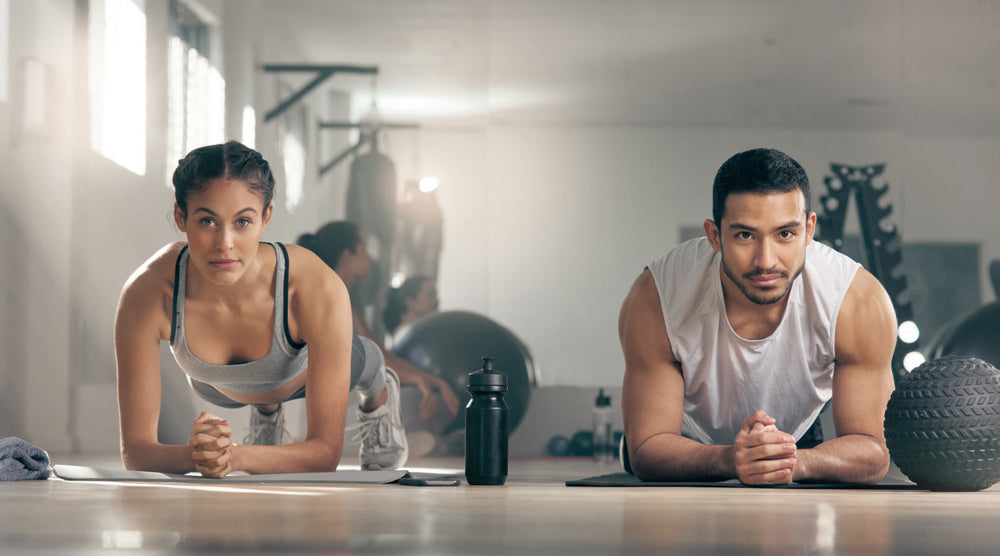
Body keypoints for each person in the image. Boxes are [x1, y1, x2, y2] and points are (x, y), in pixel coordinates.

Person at [115, 141, 407, 478]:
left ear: (265, 217)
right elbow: (136, 452)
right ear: (181, 217)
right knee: (256, 404)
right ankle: (267, 409)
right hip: (219, 389)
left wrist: (234, 457)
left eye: (242, 222)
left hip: (302, 375)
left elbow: (325, 454)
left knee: (364, 359)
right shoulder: (148, 290)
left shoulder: (314, 284)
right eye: (208, 221)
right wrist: (203, 455)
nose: (225, 242)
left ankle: (379, 398)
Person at [618, 148, 897, 485]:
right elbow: (648, 446)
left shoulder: (856, 300)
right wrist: (729, 459)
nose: (766, 260)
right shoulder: (657, 296)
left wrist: (788, 461)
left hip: (796, 441)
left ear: (809, 230)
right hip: (685, 440)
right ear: (714, 235)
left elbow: (874, 452)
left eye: (785, 234)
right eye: (745, 235)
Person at [297, 222, 459, 422]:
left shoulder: (348, 307)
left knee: (426, 393)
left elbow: (382, 356)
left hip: (347, 400)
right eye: (364, 249)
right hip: (331, 411)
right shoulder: (326, 302)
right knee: (417, 397)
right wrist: (422, 380)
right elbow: (364, 363)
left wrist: (434, 381)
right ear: (347, 256)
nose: (368, 258)